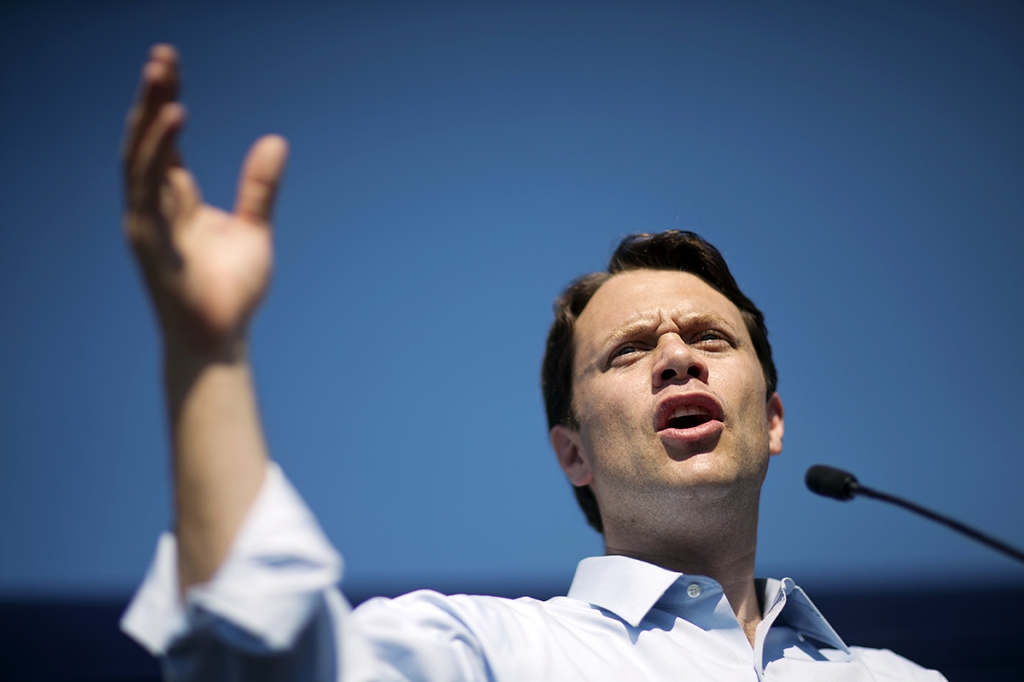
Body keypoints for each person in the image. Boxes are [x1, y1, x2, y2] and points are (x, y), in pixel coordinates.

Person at [119, 45, 946, 681]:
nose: (674, 359)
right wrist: (207, 359)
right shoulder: (483, 651)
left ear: (771, 420)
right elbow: (264, 661)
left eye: (711, 338)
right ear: (572, 453)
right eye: (628, 351)